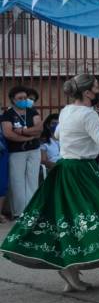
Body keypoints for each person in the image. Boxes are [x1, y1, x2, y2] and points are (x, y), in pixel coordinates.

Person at [0, 73, 99, 292]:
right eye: (96, 88)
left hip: (65, 168)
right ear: (88, 92)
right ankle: (72, 266)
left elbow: (58, 133)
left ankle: (70, 266)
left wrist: (78, 135)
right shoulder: (88, 114)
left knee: (67, 219)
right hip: (81, 171)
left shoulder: (68, 110)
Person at [1, 86, 42, 219]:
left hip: (34, 150)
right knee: (17, 181)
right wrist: (30, 136)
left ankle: (32, 211)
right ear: (13, 99)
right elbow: (8, 133)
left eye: (25, 98)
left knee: (32, 180)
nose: (24, 100)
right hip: (16, 152)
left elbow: (39, 128)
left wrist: (23, 132)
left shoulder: (32, 112)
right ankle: (19, 212)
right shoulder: (8, 115)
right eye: (20, 98)